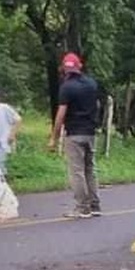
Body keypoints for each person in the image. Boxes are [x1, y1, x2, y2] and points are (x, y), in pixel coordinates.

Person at [48, 53, 102, 219]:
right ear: (80, 66)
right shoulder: (92, 84)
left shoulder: (67, 87)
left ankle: (82, 207)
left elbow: (61, 114)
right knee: (90, 169)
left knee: (76, 171)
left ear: (65, 69)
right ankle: (95, 205)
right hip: (90, 132)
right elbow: (98, 105)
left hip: (74, 133)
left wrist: (54, 137)